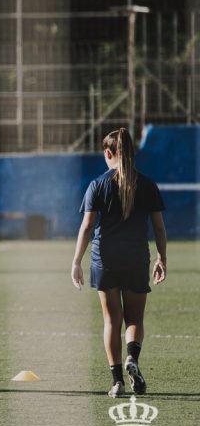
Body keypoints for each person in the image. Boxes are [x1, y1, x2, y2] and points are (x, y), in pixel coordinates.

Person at [72, 128, 167, 398]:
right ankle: (132, 359)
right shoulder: (147, 185)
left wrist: (76, 261)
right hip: (136, 257)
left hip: (105, 259)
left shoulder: (97, 185)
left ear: (108, 153)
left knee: (111, 321)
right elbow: (159, 228)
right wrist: (162, 257)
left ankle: (117, 382)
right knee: (134, 318)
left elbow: (87, 227)